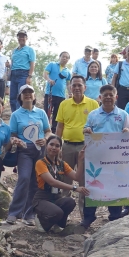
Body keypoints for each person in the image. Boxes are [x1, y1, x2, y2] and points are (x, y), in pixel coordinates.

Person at [81, 84, 129, 229]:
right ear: (100, 97)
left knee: (114, 185)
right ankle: (88, 217)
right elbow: (85, 130)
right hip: (96, 159)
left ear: (116, 97)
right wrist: (87, 129)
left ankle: (115, 216)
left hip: (116, 158)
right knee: (93, 186)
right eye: (105, 95)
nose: (108, 97)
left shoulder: (123, 115)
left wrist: (128, 131)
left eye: (111, 95)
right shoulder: (93, 115)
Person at [7, 85, 52, 225]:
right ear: (20, 96)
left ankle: (29, 214)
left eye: (30, 93)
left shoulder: (41, 113)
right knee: (24, 178)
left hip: (40, 150)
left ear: (34, 96)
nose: (27, 95)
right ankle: (14, 213)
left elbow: (48, 131)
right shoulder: (16, 115)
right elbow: (12, 134)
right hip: (24, 150)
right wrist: (16, 141)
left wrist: (45, 139)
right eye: (24, 93)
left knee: (35, 182)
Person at [55, 75, 98, 216]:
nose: (77, 88)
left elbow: (98, 126)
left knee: (85, 182)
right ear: (70, 87)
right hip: (66, 146)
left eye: (80, 85)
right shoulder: (64, 104)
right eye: (74, 85)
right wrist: (58, 146)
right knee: (65, 180)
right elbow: (59, 127)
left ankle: (85, 217)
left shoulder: (93, 104)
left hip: (86, 147)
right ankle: (61, 215)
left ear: (85, 87)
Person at [32, 135, 89, 233]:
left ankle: (57, 224)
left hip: (56, 197)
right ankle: (41, 219)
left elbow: (77, 177)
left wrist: (80, 160)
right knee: (57, 212)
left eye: (57, 146)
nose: (54, 148)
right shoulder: (40, 163)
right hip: (42, 198)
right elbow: (52, 182)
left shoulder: (62, 164)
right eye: (51, 145)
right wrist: (75, 188)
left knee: (70, 202)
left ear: (60, 148)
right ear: (46, 146)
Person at [8, 30, 36, 112]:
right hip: (13, 74)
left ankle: (19, 114)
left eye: (23, 36)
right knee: (12, 97)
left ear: (26, 38)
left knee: (20, 96)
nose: (21, 38)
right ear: (17, 38)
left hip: (23, 74)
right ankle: (14, 114)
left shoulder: (30, 50)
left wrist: (29, 76)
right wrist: (8, 65)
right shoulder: (14, 50)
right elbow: (14, 63)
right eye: (19, 36)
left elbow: (32, 63)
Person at [44, 52, 71, 132]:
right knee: (47, 112)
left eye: (66, 57)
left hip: (61, 96)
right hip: (50, 94)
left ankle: (54, 130)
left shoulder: (68, 71)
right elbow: (45, 74)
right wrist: (49, 80)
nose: (64, 58)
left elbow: (68, 83)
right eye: (63, 56)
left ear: (68, 60)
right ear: (59, 57)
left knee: (57, 114)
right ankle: (45, 129)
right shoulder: (52, 65)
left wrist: (70, 93)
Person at [111, 44, 129, 109]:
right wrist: (112, 89)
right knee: (122, 109)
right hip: (122, 90)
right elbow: (114, 77)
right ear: (126, 53)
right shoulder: (120, 64)